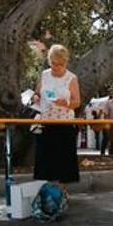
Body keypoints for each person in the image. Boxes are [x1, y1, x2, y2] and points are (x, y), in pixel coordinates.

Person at [34, 44, 81, 185]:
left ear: (65, 62)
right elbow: (37, 92)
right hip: (46, 122)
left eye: (60, 64)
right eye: (53, 63)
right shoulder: (44, 75)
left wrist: (63, 103)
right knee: (45, 159)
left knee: (63, 161)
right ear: (49, 61)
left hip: (64, 124)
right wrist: (36, 97)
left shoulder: (71, 78)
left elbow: (77, 102)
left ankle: (63, 192)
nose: (56, 66)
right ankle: (46, 191)